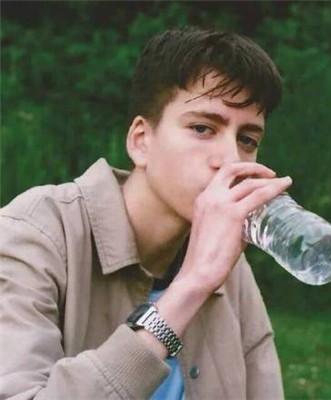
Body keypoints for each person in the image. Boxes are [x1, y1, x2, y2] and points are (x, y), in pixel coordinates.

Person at [0, 27, 292, 399]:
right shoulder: (33, 234)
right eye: (203, 128)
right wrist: (190, 286)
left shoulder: (227, 266)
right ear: (141, 141)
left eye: (247, 139)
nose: (231, 160)